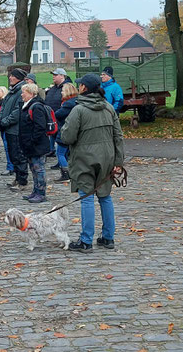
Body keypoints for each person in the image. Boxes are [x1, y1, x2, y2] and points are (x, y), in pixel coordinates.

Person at [57, 74, 125, 253]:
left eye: (81, 85)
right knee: (105, 196)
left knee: (86, 198)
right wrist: (119, 161)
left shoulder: (78, 110)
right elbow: (118, 136)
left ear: (84, 88)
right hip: (107, 158)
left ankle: (86, 240)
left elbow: (67, 137)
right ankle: (108, 238)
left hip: (84, 160)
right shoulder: (109, 108)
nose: (78, 87)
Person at [17, 83, 51, 202]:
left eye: (24, 92)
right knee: (33, 169)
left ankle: (41, 193)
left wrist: (32, 141)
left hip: (37, 145)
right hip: (30, 145)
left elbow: (40, 127)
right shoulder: (27, 105)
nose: (22, 95)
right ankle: (36, 190)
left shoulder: (36, 107)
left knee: (39, 169)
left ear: (31, 94)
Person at [0, 68, 28, 192]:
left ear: (18, 78)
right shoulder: (11, 91)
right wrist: (0, 119)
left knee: (19, 156)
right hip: (9, 129)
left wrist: (5, 121)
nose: (10, 78)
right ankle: (17, 178)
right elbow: (3, 107)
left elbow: (17, 111)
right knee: (13, 155)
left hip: (15, 129)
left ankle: (22, 181)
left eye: (12, 76)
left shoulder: (20, 91)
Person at [52, 83, 79, 183]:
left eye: (63, 90)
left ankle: (66, 174)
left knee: (60, 153)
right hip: (73, 131)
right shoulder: (76, 101)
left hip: (65, 131)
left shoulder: (67, 104)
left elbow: (58, 114)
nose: (61, 92)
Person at [44, 68, 68, 161]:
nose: (53, 76)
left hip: (61, 119)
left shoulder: (66, 88)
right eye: (53, 75)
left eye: (56, 75)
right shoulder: (53, 88)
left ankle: (63, 162)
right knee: (53, 137)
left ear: (62, 76)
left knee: (61, 142)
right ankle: (58, 160)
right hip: (52, 119)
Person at [0, 86, 13, 175]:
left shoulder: (5, 102)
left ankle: (10, 167)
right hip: (2, 126)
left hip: (6, 126)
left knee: (8, 147)